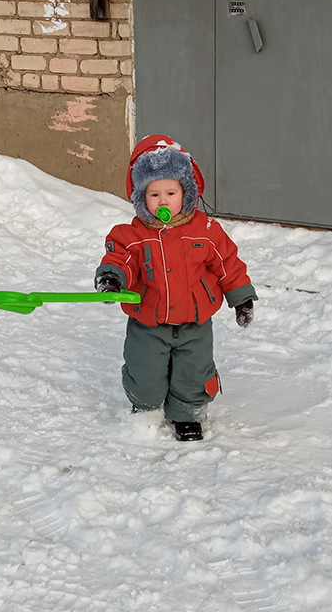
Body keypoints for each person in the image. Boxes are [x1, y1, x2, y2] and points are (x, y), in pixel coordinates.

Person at [94, 135, 257, 442]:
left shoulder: (205, 230)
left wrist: (241, 299)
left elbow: (227, 263)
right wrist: (113, 279)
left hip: (194, 322)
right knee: (145, 373)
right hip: (148, 322)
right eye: (154, 194)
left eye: (171, 192)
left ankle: (188, 415)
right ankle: (146, 411)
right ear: (141, 197)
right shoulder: (132, 234)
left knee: (193, 372)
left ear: (187, 191)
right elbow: (119, 258)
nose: (163, 200)